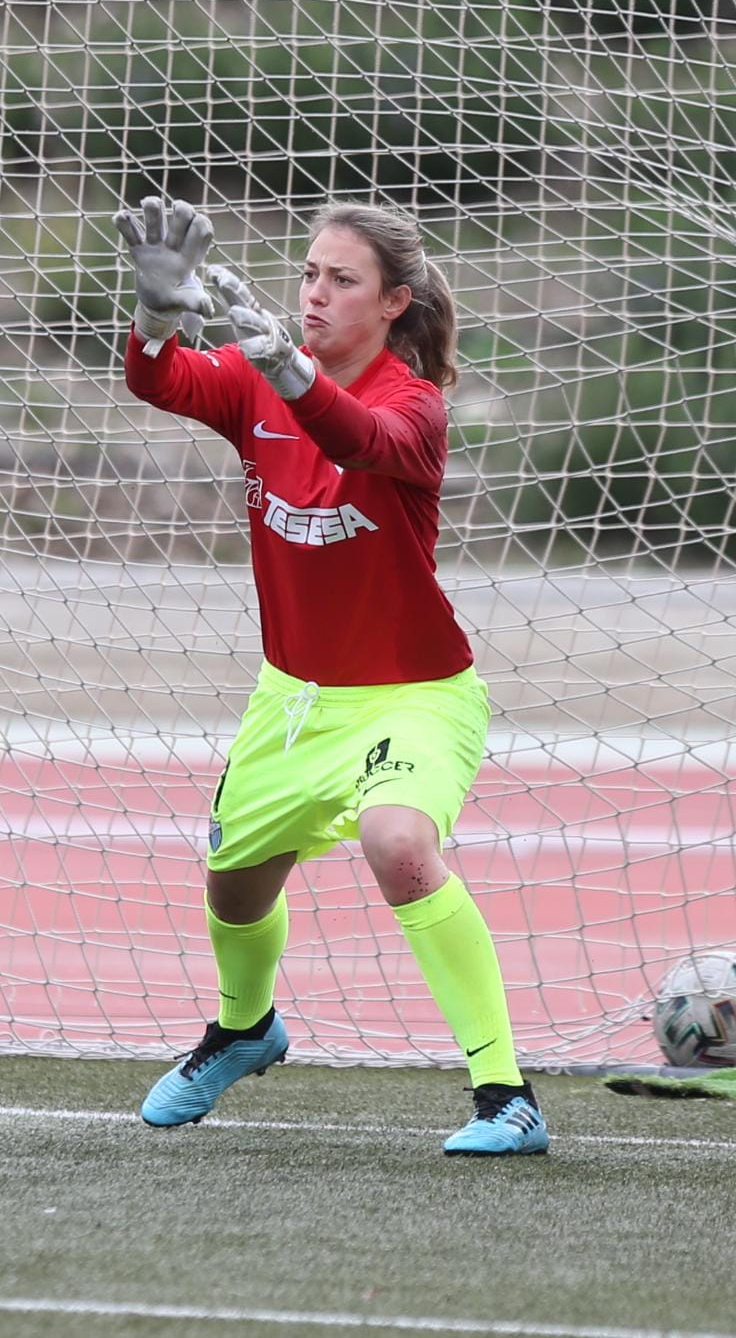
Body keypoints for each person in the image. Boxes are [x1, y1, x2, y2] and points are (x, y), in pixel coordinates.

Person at [112, 195, 547, 1156]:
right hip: (293, 697)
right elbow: (158, 380)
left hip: (414, 692)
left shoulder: (413, 405)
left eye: (341, 279)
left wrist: (289, 368)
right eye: (309, 272)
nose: (314, 292)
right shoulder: (255, 377)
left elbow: (359, 438)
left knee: (398, 843)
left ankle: (505, 1094)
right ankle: (245, 1029)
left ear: (394, 303)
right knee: (232, 887)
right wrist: (153, 313)